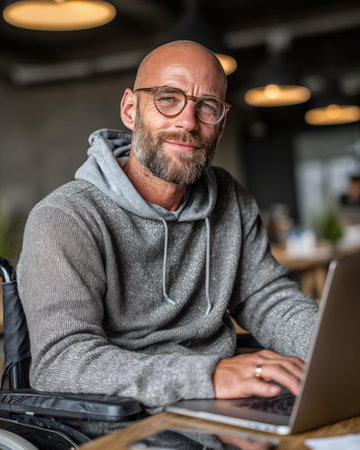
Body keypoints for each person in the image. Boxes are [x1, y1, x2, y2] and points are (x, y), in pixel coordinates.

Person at [17, 41, 319, 436]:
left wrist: (335, 351)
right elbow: (62, 362)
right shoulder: (66, 218)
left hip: (225, 406)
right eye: (168, 99)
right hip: (129, 425)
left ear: (221, 123)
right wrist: (208, 377)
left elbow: (268, 298)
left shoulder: (229, 197)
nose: (188, 122)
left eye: (207, 106)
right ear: (130, 109)